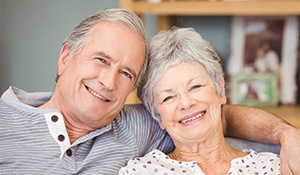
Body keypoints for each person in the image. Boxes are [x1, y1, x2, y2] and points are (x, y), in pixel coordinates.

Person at [0, 8, 299, 175]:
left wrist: (287, 135)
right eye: (101, 60)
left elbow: (212, 117)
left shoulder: (137, 125)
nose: (107, 81)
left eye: (126, 73)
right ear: (66, 57)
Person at [119, 27, 280, 174]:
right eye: (168, 97)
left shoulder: (275, 166)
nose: (186, 103)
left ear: (220, 89)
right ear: (157, 115)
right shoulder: (141, 172)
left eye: (195, 86)